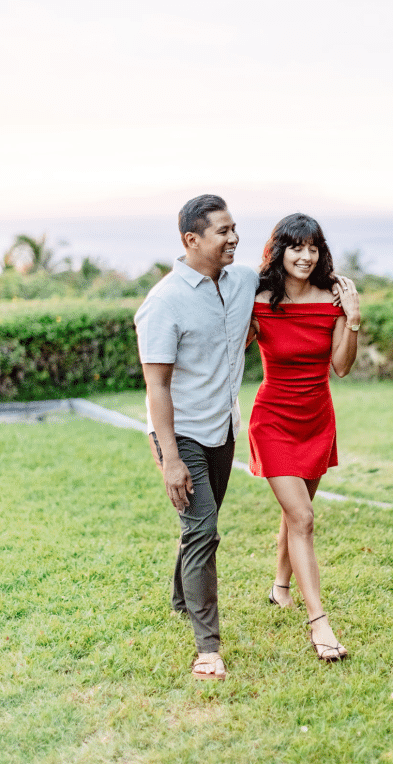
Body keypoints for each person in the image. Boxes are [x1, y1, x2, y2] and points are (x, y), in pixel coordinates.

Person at [135, 194, 259, 681]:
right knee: (203, 530)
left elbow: (286, 278)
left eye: (235, 229)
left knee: (198, 528)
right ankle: (208, 646)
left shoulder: (242, 280)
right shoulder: (163, 302)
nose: (233, 238)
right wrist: (169, 458)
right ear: (192, 239)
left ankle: (179, 600)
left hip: (223, 428)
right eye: (223, 231)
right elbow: (157, 385)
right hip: (179, 432)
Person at [248, 213, 361, 662]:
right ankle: (320, 625)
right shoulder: (257, 299)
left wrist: (352, 319)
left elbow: (343, 366)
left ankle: (280, 588)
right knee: (304, 517)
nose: (306, 256)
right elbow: (232, 346)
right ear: (280, 250)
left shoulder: (333, 299)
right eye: (296, 247)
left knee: (296, 514)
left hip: (316, 418)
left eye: (313, 247)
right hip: (272, 418)